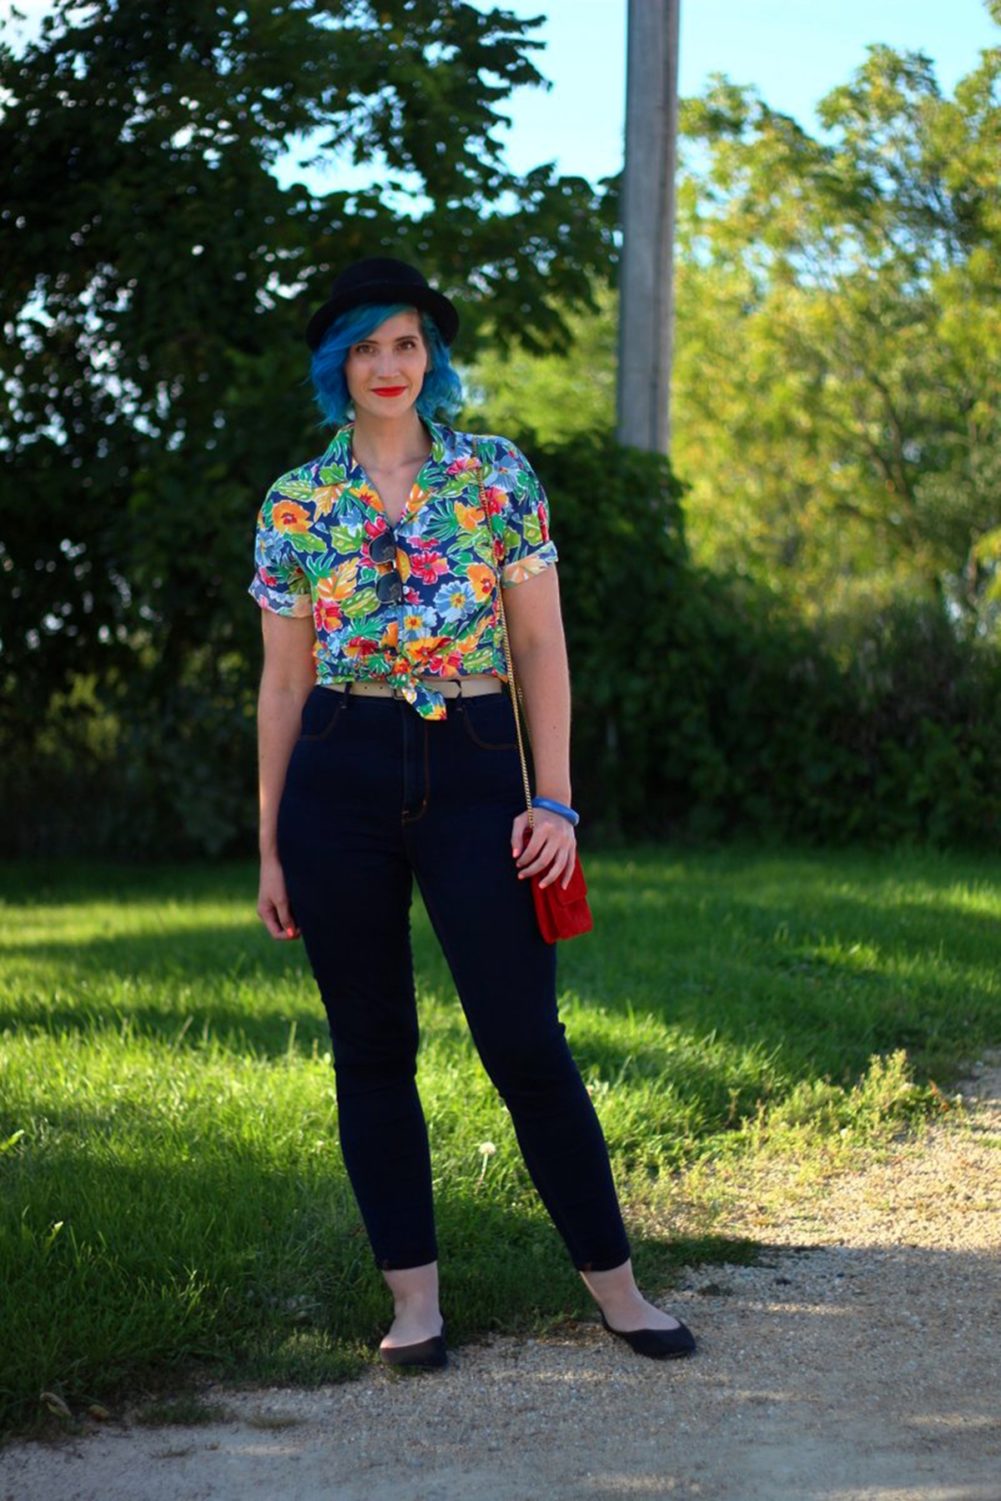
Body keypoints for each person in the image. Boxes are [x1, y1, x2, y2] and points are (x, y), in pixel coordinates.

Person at [248, 255, 696, 1368]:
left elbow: (539, 642)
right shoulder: (296, 501)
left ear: (430, 358)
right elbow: (282, 684)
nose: (387, 366)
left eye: (405, 343)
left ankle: (619, 1290)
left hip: (479, 761)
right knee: (371, 1048)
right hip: (338, 769)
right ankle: (414, 1307)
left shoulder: (494, 476)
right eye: (365, 346)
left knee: (521, 1040)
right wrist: (268, 839)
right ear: (334, 366)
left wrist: (556, 799)